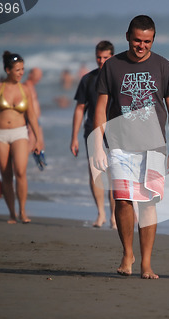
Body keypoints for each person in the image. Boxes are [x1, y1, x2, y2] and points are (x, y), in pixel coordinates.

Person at [92, 15, 169, 279]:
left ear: (153, 40)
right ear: (127, 37)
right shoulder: (112, 66)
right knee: (122, 200)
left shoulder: (164, 66)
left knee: (148, 203)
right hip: (120, 145)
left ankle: (146, 263)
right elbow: (100, 109)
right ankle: (127, 254)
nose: (141, 46)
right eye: (137, 40)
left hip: (154, 146)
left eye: (147, 42)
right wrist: (98, 146)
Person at [0, 51, 42, 224]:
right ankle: (12, 213)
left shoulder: (26, 90)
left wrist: (38, 139)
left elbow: (31, 116)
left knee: (20, 171)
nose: (21, 73)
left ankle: (23, 211)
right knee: (6, 175)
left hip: (20, 133)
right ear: (7, 70)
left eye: (22, 69)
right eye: (17, 70)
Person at [70, 40, 116, 229]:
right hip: (92, 131)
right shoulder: (88, 79)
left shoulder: (118, 78)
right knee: (96, 175)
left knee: (114, 176)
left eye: (105, 57)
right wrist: (74, 137)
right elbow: (80, 108)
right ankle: (101, 213)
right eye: (98, 57)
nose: (101, 61)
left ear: (112, 56)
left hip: (116, 132)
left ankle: (114, 216)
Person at [24, 67, 45, 154]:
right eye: (37, 76)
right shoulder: (26, 86)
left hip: (36, 119)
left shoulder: (32, 86)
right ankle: (19, 163)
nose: (39, 78)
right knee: (31, 143)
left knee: (40, 144)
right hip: (31, 119)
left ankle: (39, 166)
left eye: (40, 76)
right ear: (30, 75)